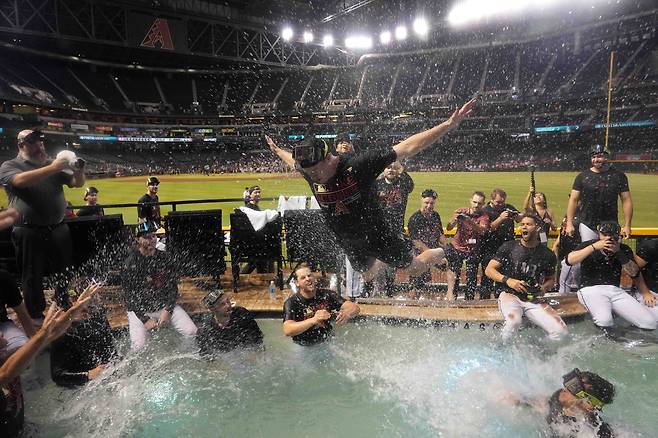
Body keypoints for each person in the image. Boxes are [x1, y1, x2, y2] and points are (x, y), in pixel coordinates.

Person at [266, 98, 475, 286]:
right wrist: (276, 151)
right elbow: (292, 162)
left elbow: (408, 147)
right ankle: (382, 262)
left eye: (314, 172)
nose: (312, 177)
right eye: (307, 172)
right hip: (349, 241)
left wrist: (448, 124)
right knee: (367, 275)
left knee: (414, 269)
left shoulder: (360, 165)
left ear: (328, 158)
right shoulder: (309, 170)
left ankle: (443, 252)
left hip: (379, 235)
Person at [0, 129, 85, 319]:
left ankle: (63, 303)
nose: (39, 146)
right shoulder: (10, 165)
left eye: (41, 142)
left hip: (58, 227)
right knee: (31, 276)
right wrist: (54, 167)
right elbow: (19, 181)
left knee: (64, 270)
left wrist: (80, 171)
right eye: (33, 143)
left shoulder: (50, 164)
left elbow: (77, 183)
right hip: (28, 230)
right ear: (21, 145)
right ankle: (36, 314)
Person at [1, 283, 101, 438]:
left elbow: (49, 337)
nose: (3, 338)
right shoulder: (6, 370)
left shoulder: (7, 360)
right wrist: (42, 334)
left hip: (23, 428)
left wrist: (74, 310)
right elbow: (6, 373)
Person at [485, 214, 568, 342]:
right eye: (522, 224)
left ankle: (536, 350)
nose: (524, 227)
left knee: (561, 332)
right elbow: (489, 270)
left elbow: (551, 280)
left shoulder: (547, 254)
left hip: (533, 299)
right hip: (510, 295)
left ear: (538, 228)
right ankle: (500, 351)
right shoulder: (509, 247)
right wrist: (509, 281)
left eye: (528, 224)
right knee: (513, 322)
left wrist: (543, 288)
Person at [121, 221, 197, 351]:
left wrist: (167, 310)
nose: (151, 240)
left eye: (153, 236)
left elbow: (173, 288)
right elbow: (129, 297)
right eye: (146, 237)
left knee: (191, 332)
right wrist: (145, 319)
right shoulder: (130, 263)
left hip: (163, 305)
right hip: (139, 310)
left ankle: (182, 356)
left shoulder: (165, 258)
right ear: (137, 239)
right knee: (138, 347)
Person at [566, 221, 656, 331]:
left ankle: (630, 340)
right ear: (599, 234)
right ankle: (601, 341)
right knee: (605, 320)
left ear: (618, 235)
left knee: (649, 322)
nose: (608, 238)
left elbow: (634, 273)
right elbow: (569, 260)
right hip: (589, 289)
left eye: (612, 235)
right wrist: (593, 247)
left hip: (615, 291)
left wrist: (619, 253)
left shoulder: (623, 249)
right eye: (605, 234)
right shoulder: (589, 244)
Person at [49, 282, 116, 387]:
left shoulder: (100, 319)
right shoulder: (63, 330)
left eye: (97, 295)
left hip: (103, 378)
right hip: (77, 386)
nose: (98, 299)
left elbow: (112, 352)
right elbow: (57, 375)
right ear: (74, 300)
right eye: (93, 295)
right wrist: (88, 375)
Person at [565, 144, 632, 242]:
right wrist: (569, 223)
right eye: (593, 157)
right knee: (589, 253)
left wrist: (627, 225)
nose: (596, 160)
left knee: (611, 253)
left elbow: (626, 200)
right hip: (587, 224)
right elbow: (573, 200)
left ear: (606, 157)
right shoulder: (582, 177)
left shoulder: (619, 176)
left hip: (611, 223)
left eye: (599, 156)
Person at [283, 265, 360, 346]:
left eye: (309, 275)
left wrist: (347, 313)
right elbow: (287, 330)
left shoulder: (326, 295)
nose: (308, 279)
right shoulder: (292, 302)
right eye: (303, 277)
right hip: (302, 346)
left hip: (327, 342)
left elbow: (355, 308)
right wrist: (314, 320)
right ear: (297, 283)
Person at [445, 191, 490, 300]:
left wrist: (470, 221)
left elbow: (482, 231)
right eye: (474, 202)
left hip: (473, 250)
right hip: (457, 247)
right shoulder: (461, 211)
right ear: (470, 201)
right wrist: (455, 219)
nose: (476, 205)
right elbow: (449, 228)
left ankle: (469, 298)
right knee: (455, 274)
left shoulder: (484, 217)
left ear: (483, 204)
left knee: (471, 277)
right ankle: (452, 296)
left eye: (479, 203)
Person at [546, 369, 616, 438]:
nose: (566, 389)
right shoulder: (559, 397)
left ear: (588, 404)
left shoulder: (594, 433)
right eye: (571, 383)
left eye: (574, 387)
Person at [196, 290, 263, 355]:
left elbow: (258, 339)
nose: (228, 306)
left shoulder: (242, 315)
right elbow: (205, 355)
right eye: (222, 304)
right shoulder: (206, 329)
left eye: (228, 301)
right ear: (212, 309)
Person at [480, 188, 520, 299]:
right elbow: (488, 229)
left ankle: (501, 297)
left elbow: (520, 219)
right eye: (498, 202)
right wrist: (501, 218)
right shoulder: (485, 211)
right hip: (490, 248)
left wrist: (517, 215)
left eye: (503, 202)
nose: (501, 204)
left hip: (508, 248)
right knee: (487, 274)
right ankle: (484, 298)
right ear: (492, 200)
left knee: (505, 274)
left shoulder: (508, 208)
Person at [407, 189, 446, 290]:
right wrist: (434, 256)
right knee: (416, 283)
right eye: (426, 203)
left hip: (434, 251)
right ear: (421, 201)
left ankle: (450, 294)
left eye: (431, 203)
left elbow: (440, 234)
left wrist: (446, 249)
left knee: (452, 264)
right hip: (420, 254)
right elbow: (416, 242)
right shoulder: (415, 218)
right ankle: (413, 300)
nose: (429, 206)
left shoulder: (435, 215)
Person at [0, 271, 36, 357]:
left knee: (23, 349)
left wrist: (36, 341)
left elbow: (21, 312)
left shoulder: (4, 278)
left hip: (2, 324)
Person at [632, 238, 658, 322]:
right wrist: (645, 293)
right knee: (650, 322)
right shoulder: (652, 246)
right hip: (649, 293)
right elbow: (631, 271)